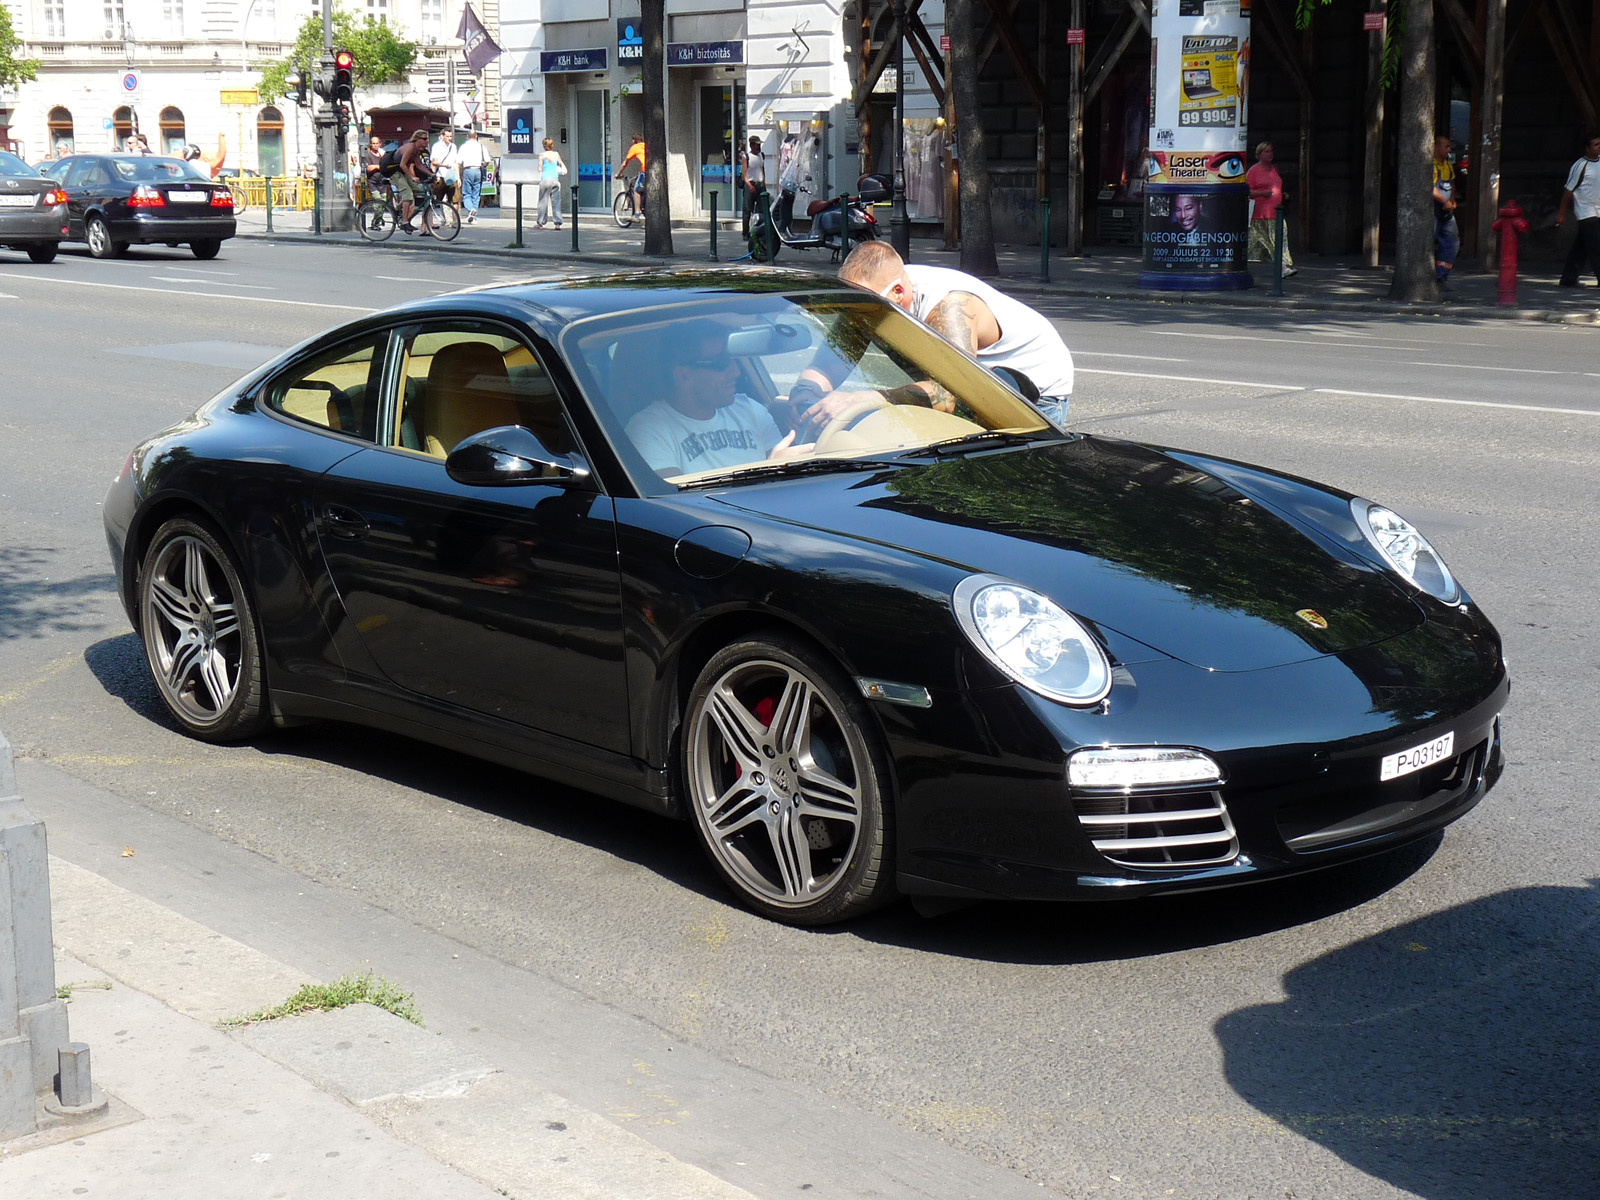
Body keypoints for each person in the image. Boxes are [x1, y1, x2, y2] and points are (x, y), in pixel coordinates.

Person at [833, 242, 1075, 429]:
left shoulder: (950, 306)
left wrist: (866, 399)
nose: (858, 319)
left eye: (864, 310)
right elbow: (831, 358)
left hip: (1031, 390)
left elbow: (949, 395)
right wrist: (806, 392)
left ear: (898, 291)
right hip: (978, 389)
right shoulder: (869, 296)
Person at [624, 321, 809, 477]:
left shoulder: (751, 410)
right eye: (721, 363)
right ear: (683, 375)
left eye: (735, 359)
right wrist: (768, 471)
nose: (736, 372)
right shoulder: (648, 431)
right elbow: (675, 504)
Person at [1245, 140, 1296, 276]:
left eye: (1271, 151)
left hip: (1276, 213)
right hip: (1260, 215)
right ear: (1259, 154)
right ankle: (1234, 264)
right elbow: (1247, 191)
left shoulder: (1274, 168)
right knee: (1256, 244)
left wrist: (1283, 194)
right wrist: (1262, 193)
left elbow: (1277, 185)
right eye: (1266, 151)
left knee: (1279, 239)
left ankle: (1283, 268)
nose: (1270, 154)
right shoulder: (1253, 171)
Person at [1557, 132, 1600, 288]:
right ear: (1588, 148)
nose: (1599, 147)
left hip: (1598, 209)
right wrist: (1561, 214)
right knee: (1596, 245)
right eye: (1596, 145)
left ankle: (1568, 278)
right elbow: (1568, 190)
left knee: (1581, 247)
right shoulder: (1580, 165)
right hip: (1586, 211)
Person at [390, 130, 432, 234]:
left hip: (402, 172)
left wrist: (431, 174)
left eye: (427, 139)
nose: (427, 141)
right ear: (417, 139)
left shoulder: (417, 150)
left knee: (418, 192)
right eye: (424, 139)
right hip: (394, 172)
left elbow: (419, 164)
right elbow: (402, 164)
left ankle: (398, 208)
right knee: (408, 194)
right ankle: (405, 222)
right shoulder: (410, 147)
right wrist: (412, 177)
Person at [1432, 136, 1459, 285]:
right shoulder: (1432, 166)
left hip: (1446, 211)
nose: (1449, 150)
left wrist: (1453, 200)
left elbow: (1452, 183)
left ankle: (1442, 275)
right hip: (1434, 210)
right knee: (1430, 239)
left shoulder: (1447, 165)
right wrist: (1445, 201)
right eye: (1446, 147)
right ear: (1436, 147)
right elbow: (1431, 189)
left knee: (1452, 241)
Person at [458, 128, 488, 224]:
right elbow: (487, 161)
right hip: (478, 170)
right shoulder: (481, 146)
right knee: (476, 194)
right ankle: (474, 217)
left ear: (467, 137)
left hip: (468, 170)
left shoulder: (463, 147)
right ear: (476, 136)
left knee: (466, 193)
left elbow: (458, 162)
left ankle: (470, 209)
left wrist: (459, 175)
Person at [536, 137, 566, 229]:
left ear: (544, 146)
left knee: (543, 202)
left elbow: (539, 169)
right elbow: (560, 164)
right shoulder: (556, 154)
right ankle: (557, 223)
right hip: (555, 180)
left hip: (545, 180)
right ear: (552, 145)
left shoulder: (542, 155)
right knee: (556, 202)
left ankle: (541, 223)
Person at [616, 133, 646, 218]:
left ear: (634, 141)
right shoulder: (645, 145)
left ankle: (637, 214)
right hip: (652, 171)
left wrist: (618, 174)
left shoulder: (635, 147)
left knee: (637, 190)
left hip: (645, 170)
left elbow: (625, 163)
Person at [740, 134, 765, 234]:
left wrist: (764, 182)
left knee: (762, 209)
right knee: (747, 210)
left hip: (760, 184)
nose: (758, 147)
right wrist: (749, 186)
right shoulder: (747, 157)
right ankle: (745, 232)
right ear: (752, 145)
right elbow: (744, 174)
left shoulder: (761, 155)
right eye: (757, 145)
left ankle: (760, 230)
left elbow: (762, 170)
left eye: (759, 145)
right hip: (750, 184)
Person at [431, 129, 461, 205]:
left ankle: (455, 217)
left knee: (455, 200)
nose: (449, 138)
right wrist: (444, 165)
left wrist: (458, 177)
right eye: (447, 136)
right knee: (436, 200)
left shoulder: (453, 146)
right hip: (440, 176)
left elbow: (455, 162)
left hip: (451, 176)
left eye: (451, 136)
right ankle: (429, 215)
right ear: (443, 136)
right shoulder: (437, 146)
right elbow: (434, 162)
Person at [362, 134, 385, 201]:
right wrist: (380, 167)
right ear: (371, 144)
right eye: (373, 143)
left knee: (384, 202)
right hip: (373, 183)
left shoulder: (382, 155)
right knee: (377, 201)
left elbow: (386, 167)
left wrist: (375, 166)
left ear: (380, 144)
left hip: (383, 183)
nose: (375, 145)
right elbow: (369, 169)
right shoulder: (368, 155)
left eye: (377, 143)